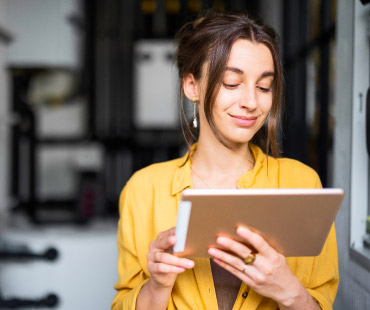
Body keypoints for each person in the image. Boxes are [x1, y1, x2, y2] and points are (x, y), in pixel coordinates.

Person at [111, 11, 339, 310]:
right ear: (192, 85)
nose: (252, 103)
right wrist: (157, 285)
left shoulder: (302, 183)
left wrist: (288, 291)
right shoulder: (144, 190)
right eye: (232, 83)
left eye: (264, 86)